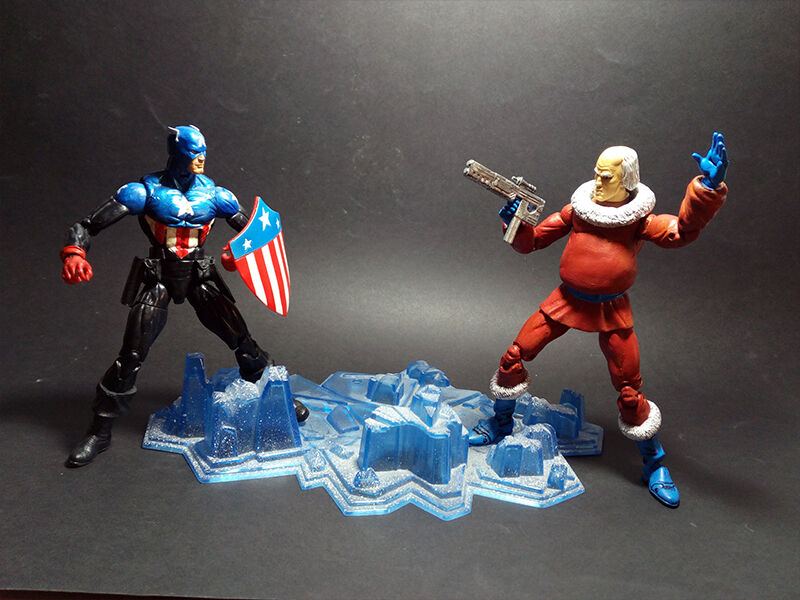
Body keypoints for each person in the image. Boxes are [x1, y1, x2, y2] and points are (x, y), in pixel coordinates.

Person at [469, 133, 728, 507]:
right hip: (566, 301)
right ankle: (501, 421)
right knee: (513, 357)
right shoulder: (578, 212)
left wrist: (707, 187)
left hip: (612, 310)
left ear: (627, 180)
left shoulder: (638, 221)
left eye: (606, 176)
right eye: (596, 173)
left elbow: (681, 232)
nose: (598, 181)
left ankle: (654, 463)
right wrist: (516, 221)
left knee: (630, 392)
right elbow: (533, 242)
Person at [60, 125, 308, 468]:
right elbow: (87, 225)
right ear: (177, 153)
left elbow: (258, 234)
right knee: (131, 355)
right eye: (194, 152)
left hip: (198, 277)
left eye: (203, 151)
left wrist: (236, 254)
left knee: (242, 340)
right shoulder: (143, 192)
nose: (201, 158)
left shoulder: (217, 196)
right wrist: (75, 253)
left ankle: (278, 398)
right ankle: (99, 431)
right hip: (159, 277)